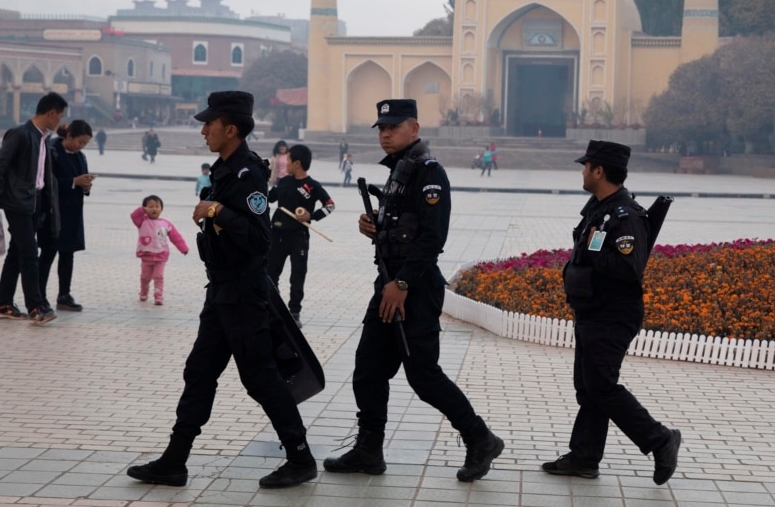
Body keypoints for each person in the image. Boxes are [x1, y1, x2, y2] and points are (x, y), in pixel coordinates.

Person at [127, 91, 317, 489]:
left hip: (245, 294)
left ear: (231, 128)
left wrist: (218, 211)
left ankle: (300, 458)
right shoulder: (223, 169)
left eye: (209, 124)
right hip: (221, 291)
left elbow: (259, 238)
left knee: (261, 378)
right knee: (198, 373)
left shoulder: (248, 173)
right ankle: (174, 461)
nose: (203, 130)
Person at [323, 98, 504, 482]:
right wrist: (374, 225)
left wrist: (402, 284)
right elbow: (404, 227)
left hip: (413, 289)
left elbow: (432, 238)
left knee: (423, 375)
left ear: (415, 129)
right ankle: (369, 450)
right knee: (368, 369)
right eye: (382, 129)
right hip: (388, 285)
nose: (385, 134)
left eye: (393, 127)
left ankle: (480, 438)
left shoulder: (428, 173)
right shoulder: (399, 172)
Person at [542, 140, 681, 485]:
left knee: (602, 386)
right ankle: (584, 457)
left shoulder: (625, 216)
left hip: (613, 313)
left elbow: (628, 269)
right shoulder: (599, 210)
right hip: (592, 311)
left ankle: (660, 439)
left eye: (586, 166)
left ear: (599, 171)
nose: (583, 171)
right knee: (588, 387)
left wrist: (594, 252)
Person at [0, 92, 67, 325]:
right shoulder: (19, 134)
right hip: (17, 203)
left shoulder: (43, 138)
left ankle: (3, 303)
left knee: (17, 253)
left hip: (34, 203)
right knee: (29, 252)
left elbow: (43, 175)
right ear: (50, 113)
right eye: (59, 116)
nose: (60, 121)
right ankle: (36, 307)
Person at [267, 144, 335, 328]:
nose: (285, 163)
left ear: (297, 163)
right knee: (271, 272)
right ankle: (273, 307)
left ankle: (294, 312)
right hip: (277, 234)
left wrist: (311, 216)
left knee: (298, 275)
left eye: (288, 160)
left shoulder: (312, 186)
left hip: (299, 237)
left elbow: (330, 206)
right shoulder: (284, 182)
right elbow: (268, 198)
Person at [38, 120, 94, 312]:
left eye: (85, 144)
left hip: (73, 213)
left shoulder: (81, 157)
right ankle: (39, 297)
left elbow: (81, 182)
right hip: (53, 213)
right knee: (47, 254)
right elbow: (45, 181)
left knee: (67, 254)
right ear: (69, 136)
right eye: (80, 142)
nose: (81, 147)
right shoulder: (52, 151)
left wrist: (85, 185)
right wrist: (72, 182)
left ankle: (64, 295)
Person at [130, 195, 189, 305]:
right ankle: (143, 292)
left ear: (161, 209)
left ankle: (158, 296)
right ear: (145, 209)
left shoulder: (166, 224)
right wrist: (142, 210)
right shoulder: (141, 222)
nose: (154, 209)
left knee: (158, 276)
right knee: (145, 277)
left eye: (157, 206)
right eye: (150, 206)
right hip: (146, 254)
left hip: (161, 255)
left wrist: (183, 248)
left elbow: (176, 237)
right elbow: (134, 216)